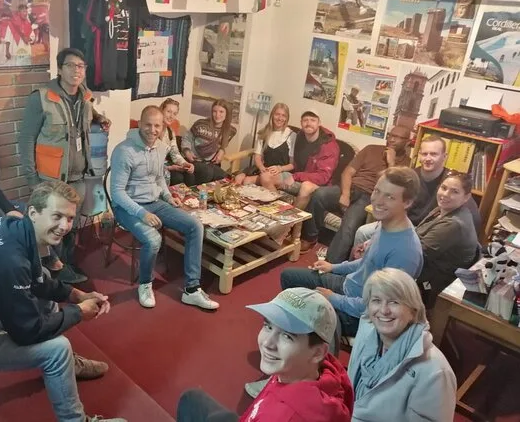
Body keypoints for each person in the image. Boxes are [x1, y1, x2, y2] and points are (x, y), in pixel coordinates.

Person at [0, 181, 123, 422]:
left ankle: (68, 367)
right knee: (59, 349)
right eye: (57, 216)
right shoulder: (11, 261)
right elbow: (28, 331)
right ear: (34, 213)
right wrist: (78, 312)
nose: (65, 226)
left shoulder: (11, 225)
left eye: (70, 218)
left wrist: (75, 295)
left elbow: (37, 279)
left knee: (46, 295)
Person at [279, 167, 423, 356]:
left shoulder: (405, 251)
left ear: (407, 202)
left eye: (389, 197)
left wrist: (333, 299)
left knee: (307, 311)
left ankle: (331, 348)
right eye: (377, 191)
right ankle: (309, 336)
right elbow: (366, 263)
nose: (378, 201)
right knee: (289, 279)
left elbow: (380, 309)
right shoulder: (386, 224)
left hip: (362, 314)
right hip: (349, 287)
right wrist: (333, 267)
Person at [176, 288, 354, 422]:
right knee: (192, 400)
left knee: (191, 406)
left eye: (287, 336)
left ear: (317, 352)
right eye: (268, 326)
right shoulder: (324, 372)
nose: (268, 343)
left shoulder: (284, 415)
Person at [110, 105, 219, 310]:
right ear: (139, 124)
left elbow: (159, 177)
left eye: (157, 126)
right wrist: (142, 213)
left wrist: (168, 197)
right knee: (153, 239)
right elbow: (117, 192)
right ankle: (145, 284)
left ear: (163, 127)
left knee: (195, 225)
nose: (152, 130)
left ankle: (192, 289)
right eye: (148, 125)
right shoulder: (124, 151)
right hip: (128, 207)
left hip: (155, 202)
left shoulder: (161, 147)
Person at [19, 47, 111, 284]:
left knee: (70, 224)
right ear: (60, 69)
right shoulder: (41, 98)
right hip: (51, 179)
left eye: (81, 66)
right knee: (51, 227)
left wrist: (100, 118)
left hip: (78, 176)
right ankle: (53, 273)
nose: (76, 70)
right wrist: (32, 180)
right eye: (70, 65)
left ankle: (66, 265)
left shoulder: (85, 97)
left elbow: (84, 114)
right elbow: (26, 139)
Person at [348, 268, 457, 421]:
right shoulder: (366, 333)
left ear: (413, 311)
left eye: (394, 302)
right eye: (376, 300)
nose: (384, 310)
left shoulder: (436, 371)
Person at [351, 136, 481, 255]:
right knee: (363, 232)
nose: (428, 158)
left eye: (434, 154)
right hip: (404, 224)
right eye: (424, 154)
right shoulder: (410, 177)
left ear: (444, 156)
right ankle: (359, 267)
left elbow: (471, 218)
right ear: (418, 155)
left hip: (430, 232)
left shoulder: (450, 182)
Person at [301, 126, 411, 262]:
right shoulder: (371, 149)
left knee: (349, 226)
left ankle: (330, 265)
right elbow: (347, 173)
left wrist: (391, 163)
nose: (392, 139)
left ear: (407, 142)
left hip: (369, 197)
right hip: (350, 187)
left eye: (397, 137)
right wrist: (345, 195)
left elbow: (394, 187)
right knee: (318, 195)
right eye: (390, 135)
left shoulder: (407, 164)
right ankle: (310, 237)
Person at [416, 172, 480, 309]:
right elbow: (418, 234)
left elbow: (418, 253)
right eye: (444, 188)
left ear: (466, 197)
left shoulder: (453, 224)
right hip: (424, 261)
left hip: (432, 280)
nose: (445, 194)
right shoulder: (443, 209)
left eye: (454, 192)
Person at [234, 103, 297, 192]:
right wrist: (261, 168)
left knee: (264, 177)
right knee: (246, 181)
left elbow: (293, 164)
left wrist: (279, 168)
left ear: (287, 118)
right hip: (265, 170)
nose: (280, 118)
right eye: (277, 114)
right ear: (272, 115)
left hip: (282, 172)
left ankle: (276, 199)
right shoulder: (264, 133)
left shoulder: (291, 135)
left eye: (283, 115)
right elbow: (257, 157)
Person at [286, 109, 339, 210]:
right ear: (301, 123)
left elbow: (323, 176)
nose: (308, 123)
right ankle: (273, 214)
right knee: (268, 177)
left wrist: (296, 176)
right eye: (305, 120)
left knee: (306, 187)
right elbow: (295, 162)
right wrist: (279, 169)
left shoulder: (329, 145)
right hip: (300, 177)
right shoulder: (300, 136)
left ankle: (292, 219)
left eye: (313, 120)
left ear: (319, 123)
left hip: (321, 184)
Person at [181, 99, 237, 186]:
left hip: (210, 163)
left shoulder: (231, 131)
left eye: (221, 112)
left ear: (227, 113)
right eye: (214, 111)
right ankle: (194, 190)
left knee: (225, 178)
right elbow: (186, 138)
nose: (217, 115)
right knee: (207, 173)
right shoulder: (200, 124)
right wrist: (187, 151)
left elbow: (223, 144)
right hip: (194, 160)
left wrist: (222, 150)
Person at [158, 98, 195, 186]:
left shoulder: (170, 131)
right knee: (177, 178)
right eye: (169, 111)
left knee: (189, 174)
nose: (171, 116)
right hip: (155, 167)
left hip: (166, 164)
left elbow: (175, 153)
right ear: (161, 110)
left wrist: (185, 163)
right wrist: (170, 168)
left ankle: (191, 195)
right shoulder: (153, 129)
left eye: (174, 113)